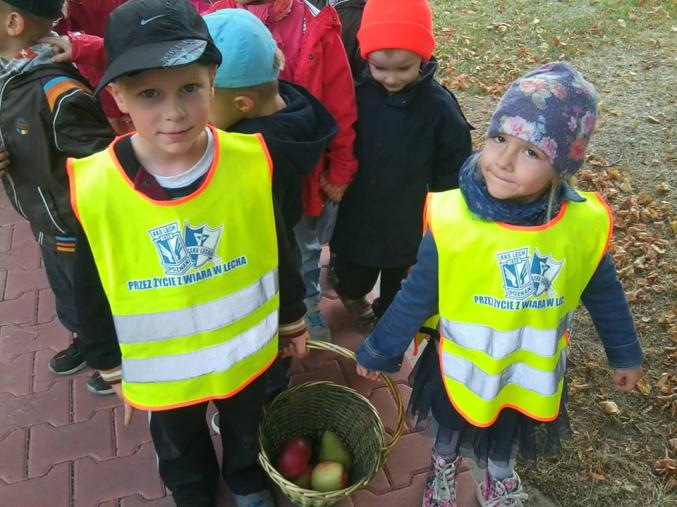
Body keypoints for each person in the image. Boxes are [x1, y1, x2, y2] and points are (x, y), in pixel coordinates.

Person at [354, 62, 644, 507]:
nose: (504, 161)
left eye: (532, 152)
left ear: (562, 166)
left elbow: (603, 292)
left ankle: (499, 475)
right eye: (499, 138)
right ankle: (445, 466)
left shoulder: (580, 228)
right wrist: (382, 347)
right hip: (462, 366)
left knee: (507, 431)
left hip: (526, 369)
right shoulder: (454, 220)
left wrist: (624, 351)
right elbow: (418, 294)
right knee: (450, 426)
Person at [67, 1, 309, 506]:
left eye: (189, 89)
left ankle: (245, 478)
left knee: (246, 425)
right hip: (165, 366)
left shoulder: (251, 162)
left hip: (243, 353)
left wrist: (291, 317)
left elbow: (278, 243)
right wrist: (107, 360)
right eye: (150, 93)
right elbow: (90, 279)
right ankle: (192, 487)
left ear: (213, 81)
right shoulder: (98, 187)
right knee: (177, 440)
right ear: (118, 96)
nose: (174, 111)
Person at [203, 8, 337, 424]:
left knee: (268, 339)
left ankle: (268, 406)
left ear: (241, 103)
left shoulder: (252, 153)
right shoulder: (293, 108)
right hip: (284, 246)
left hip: (262, 264)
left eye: (199, 94)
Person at [205, 0, 358, 342]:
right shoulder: (220, 18)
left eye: (201, 98)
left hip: (299, 199)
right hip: (279, 205)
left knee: (302, 251)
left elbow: (341, 102)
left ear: (242, 106)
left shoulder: (315, 25)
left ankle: (306, 309)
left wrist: (342, 167)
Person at [329, 0, 472, 331]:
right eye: (380, 68)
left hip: (407, 220)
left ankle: (388, 318)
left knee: (399, 288)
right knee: (352, 275)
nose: (391, 79)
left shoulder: (439, 106)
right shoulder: (354, 93)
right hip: (358, 215)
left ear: (422, 58)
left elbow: (453, 162)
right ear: (367, 58)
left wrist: (444, 212)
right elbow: (337, 139)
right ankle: (352, 293)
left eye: (403, 68)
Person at [0, 0, 115, 393]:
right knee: (66, 293)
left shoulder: (58, 91)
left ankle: (113, 355)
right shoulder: (9, 76)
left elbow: (99, 165)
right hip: (42, 214)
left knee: (90, 291)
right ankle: (86, 341)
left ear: (13, 22)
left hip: (72, 222)